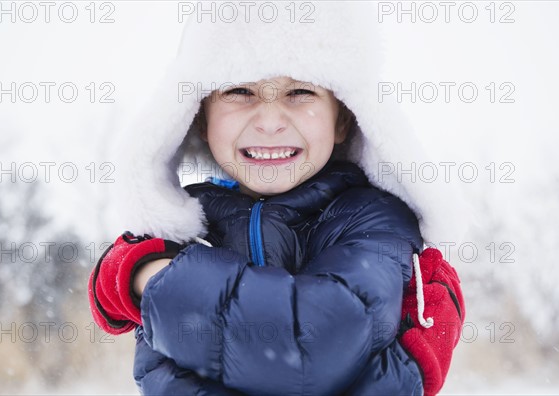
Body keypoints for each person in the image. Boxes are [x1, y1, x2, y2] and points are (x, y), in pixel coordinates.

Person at [88, 3, 466, 395]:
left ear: (343, 118)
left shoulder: (372, 219)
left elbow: (313, 348)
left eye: (300, 92)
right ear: (199, 117)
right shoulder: (191, 226)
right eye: (240, 91)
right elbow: (164, 379)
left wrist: (152, 279)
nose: (270, 122)